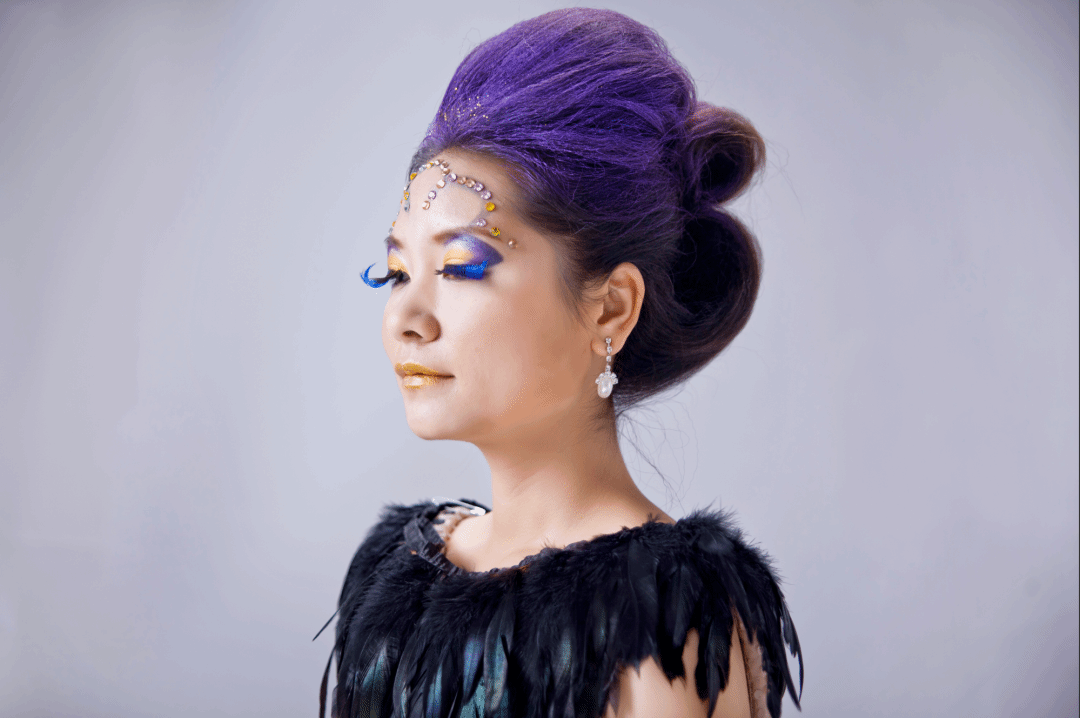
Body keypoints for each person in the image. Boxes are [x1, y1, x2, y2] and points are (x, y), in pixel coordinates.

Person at [320, 8, 803, 717]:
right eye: (395, 273)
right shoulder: (394, 573)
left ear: (610, 308)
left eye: (460, 266)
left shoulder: (658, 618)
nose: (405, 319)